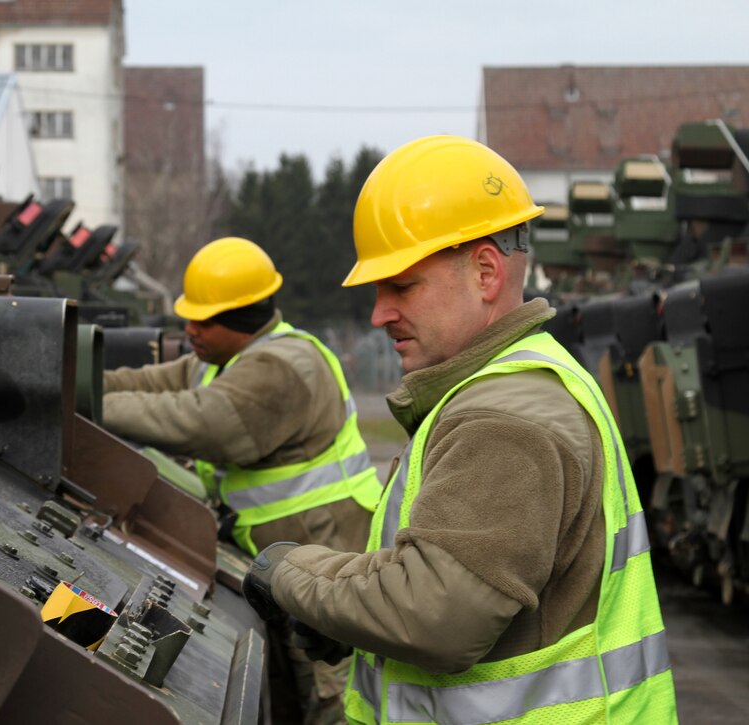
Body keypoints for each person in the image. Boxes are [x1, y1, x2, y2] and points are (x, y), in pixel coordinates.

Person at [241, 136, 677, 724]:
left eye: (402, 286)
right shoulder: (519, 383)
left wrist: (288, 572)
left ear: (485, 272)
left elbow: (434, 616)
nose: (379, 313)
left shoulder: (505, 418)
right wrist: (350, 622)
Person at [103, 236, 382, 722]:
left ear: (243, 321)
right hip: (284, 567)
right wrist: (65, 379)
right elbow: (145, 385)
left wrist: (77, 405)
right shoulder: (220, 362)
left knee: (333, 699)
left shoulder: (283, 368)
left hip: (325, 574)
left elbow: (197, 422)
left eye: (203, 320)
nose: (188, 328)